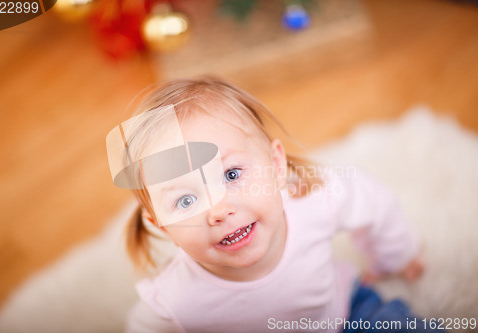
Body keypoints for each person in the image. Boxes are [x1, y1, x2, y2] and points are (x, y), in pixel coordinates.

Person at [107, 76, 439, 332]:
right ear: (160, 224)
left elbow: (372, 202)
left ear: (276, 166)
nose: (218, 210)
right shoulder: (174, 300)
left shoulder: (313, 200)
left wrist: (396, 254)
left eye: (232, 174)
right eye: (186, 200)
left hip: (345, 314)